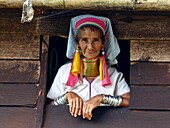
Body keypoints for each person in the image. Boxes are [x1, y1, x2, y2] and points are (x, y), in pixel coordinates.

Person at [47, 14, 130, 120]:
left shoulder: (113, 74)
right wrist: (67, 96)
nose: (90, 47)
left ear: (103, 42)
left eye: (95, 40)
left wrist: (102, 98)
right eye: (84, 40)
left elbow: (129, 100)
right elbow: (50, 105)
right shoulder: (64, 71)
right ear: (77, 42)